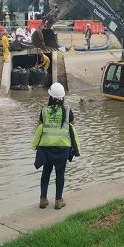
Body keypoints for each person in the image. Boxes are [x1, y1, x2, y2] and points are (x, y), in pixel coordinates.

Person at [31, 82, 77, 210]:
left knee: (46, 172)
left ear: (49, 96)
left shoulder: (44, 111)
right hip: (62, 149)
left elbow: (39, 127)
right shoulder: (68, 111)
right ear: (63, 97)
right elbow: (73, 126)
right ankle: (58, 200)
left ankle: (43, 199)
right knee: (60, 174)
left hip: (47, 148)